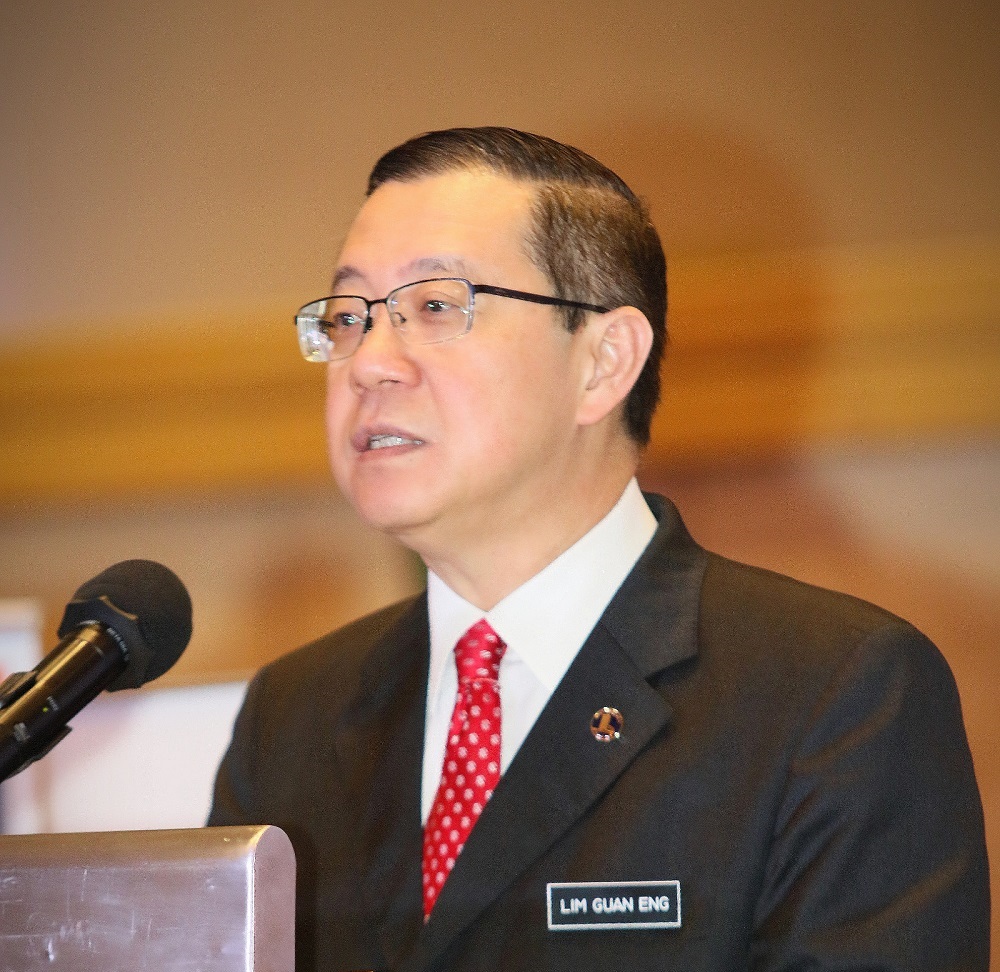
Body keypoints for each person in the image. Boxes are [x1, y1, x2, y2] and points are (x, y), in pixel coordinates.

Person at [209, 127, 989, 972]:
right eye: (348, 315)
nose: (369, 363)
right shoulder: (290, 717)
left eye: (434, 306)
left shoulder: (837, 698)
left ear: (604, 362)